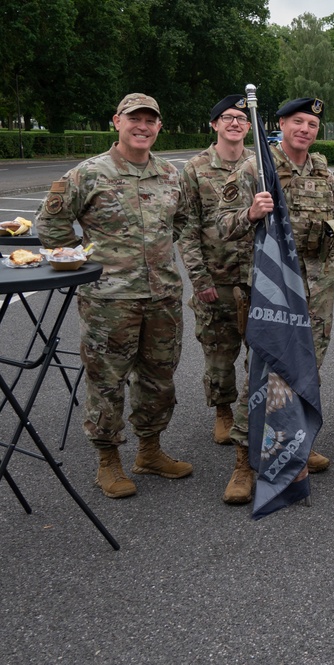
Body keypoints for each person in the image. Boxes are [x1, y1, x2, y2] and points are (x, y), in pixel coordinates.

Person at [35, 93, 192, 499]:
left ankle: (150, 451)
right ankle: (108, 460)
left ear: (159, 127)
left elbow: (183, 221)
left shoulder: (171, 175)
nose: (142, 126)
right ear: (116, 122)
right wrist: (85, 263)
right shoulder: (88, 174)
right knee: (107, 382)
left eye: (150, 120)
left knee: (159, 378)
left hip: (162, 296)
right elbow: (51, 223)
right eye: (134, 119)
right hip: (110, 301)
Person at [217, 97, 334, 504]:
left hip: (317, 294)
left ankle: (294, 446)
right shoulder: (256, 169)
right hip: (274, 294)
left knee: (304, 373)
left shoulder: (323, 170)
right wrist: (249, 214)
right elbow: (220, 224)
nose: (305, 129)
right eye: (297, 121)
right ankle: (245, 464)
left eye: (313, 124)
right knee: (263, 375)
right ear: (280, 123)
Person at [176, 95, 254, 446]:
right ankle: (223, 411)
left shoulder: (260, 165)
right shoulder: (195, 169)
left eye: (241, 118)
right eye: (227, 117)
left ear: (249, 126)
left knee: (263, 351)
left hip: (257, 275)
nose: (235, 123)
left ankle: (254, 411)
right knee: (219, 354)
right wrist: (199, 277)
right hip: (217, 278)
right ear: (214, 124)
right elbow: (187, 228)